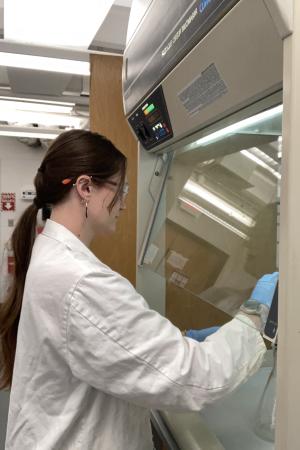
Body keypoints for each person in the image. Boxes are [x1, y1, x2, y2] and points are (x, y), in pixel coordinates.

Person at [0, 129, 277, 450]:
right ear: (85, 188)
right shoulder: (81, 281)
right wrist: (256, 319)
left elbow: (96, 343)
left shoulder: (53, 253)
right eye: (121, 188)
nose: (125, 201)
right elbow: (196, 378)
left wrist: (178, 341)